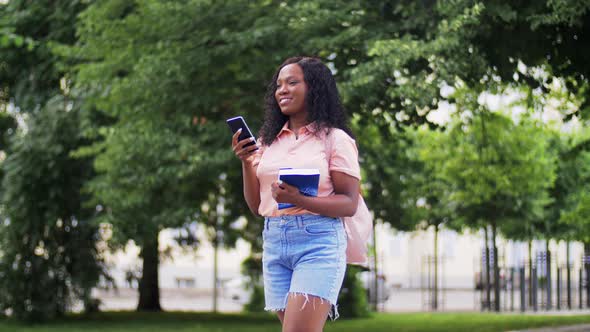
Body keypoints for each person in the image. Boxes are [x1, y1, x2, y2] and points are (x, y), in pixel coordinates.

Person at [231, 56, 360, 332]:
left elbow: (349, 203)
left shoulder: (335, 139)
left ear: (314, 88)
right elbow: (257, 205)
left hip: (318, 242)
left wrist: (299, 199)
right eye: (278, 85)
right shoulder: (268, 140)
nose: (282, 90)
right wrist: (246, 162)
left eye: (292, 82)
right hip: (275, 241)